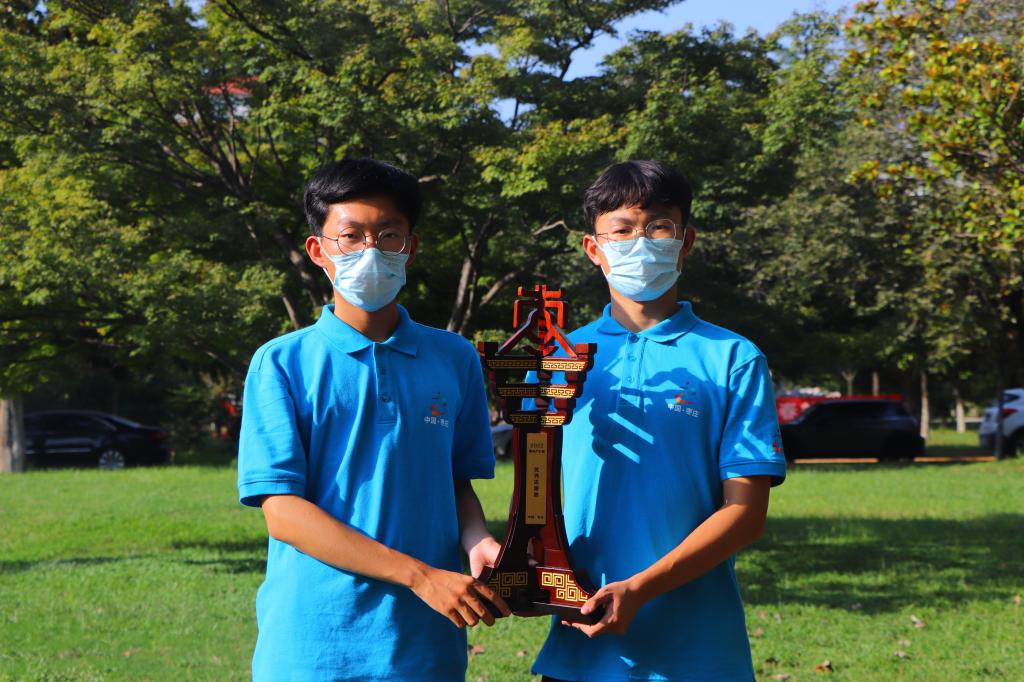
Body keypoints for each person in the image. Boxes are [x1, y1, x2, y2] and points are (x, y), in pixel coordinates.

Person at [236, 158, 509, 681]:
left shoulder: (454, 358)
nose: (370, 250)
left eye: (388, 235)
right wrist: (420, 576)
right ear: (318, 249)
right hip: (313, 646)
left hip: (426, 645)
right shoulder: (281, 363)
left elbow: (455, 482)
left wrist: (478, 539)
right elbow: (283, 512)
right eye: (351, 235)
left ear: (411, 247)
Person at [531, 160, 787, 681]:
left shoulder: (732, 358)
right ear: (593, 248)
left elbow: (746, 512)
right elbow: (534, 494)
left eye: (659, 227)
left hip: (697, 654)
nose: (640, 243)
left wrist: (641, 588)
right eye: (621, 230)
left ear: (685, 240)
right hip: (579, 647)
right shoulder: (557, 358)